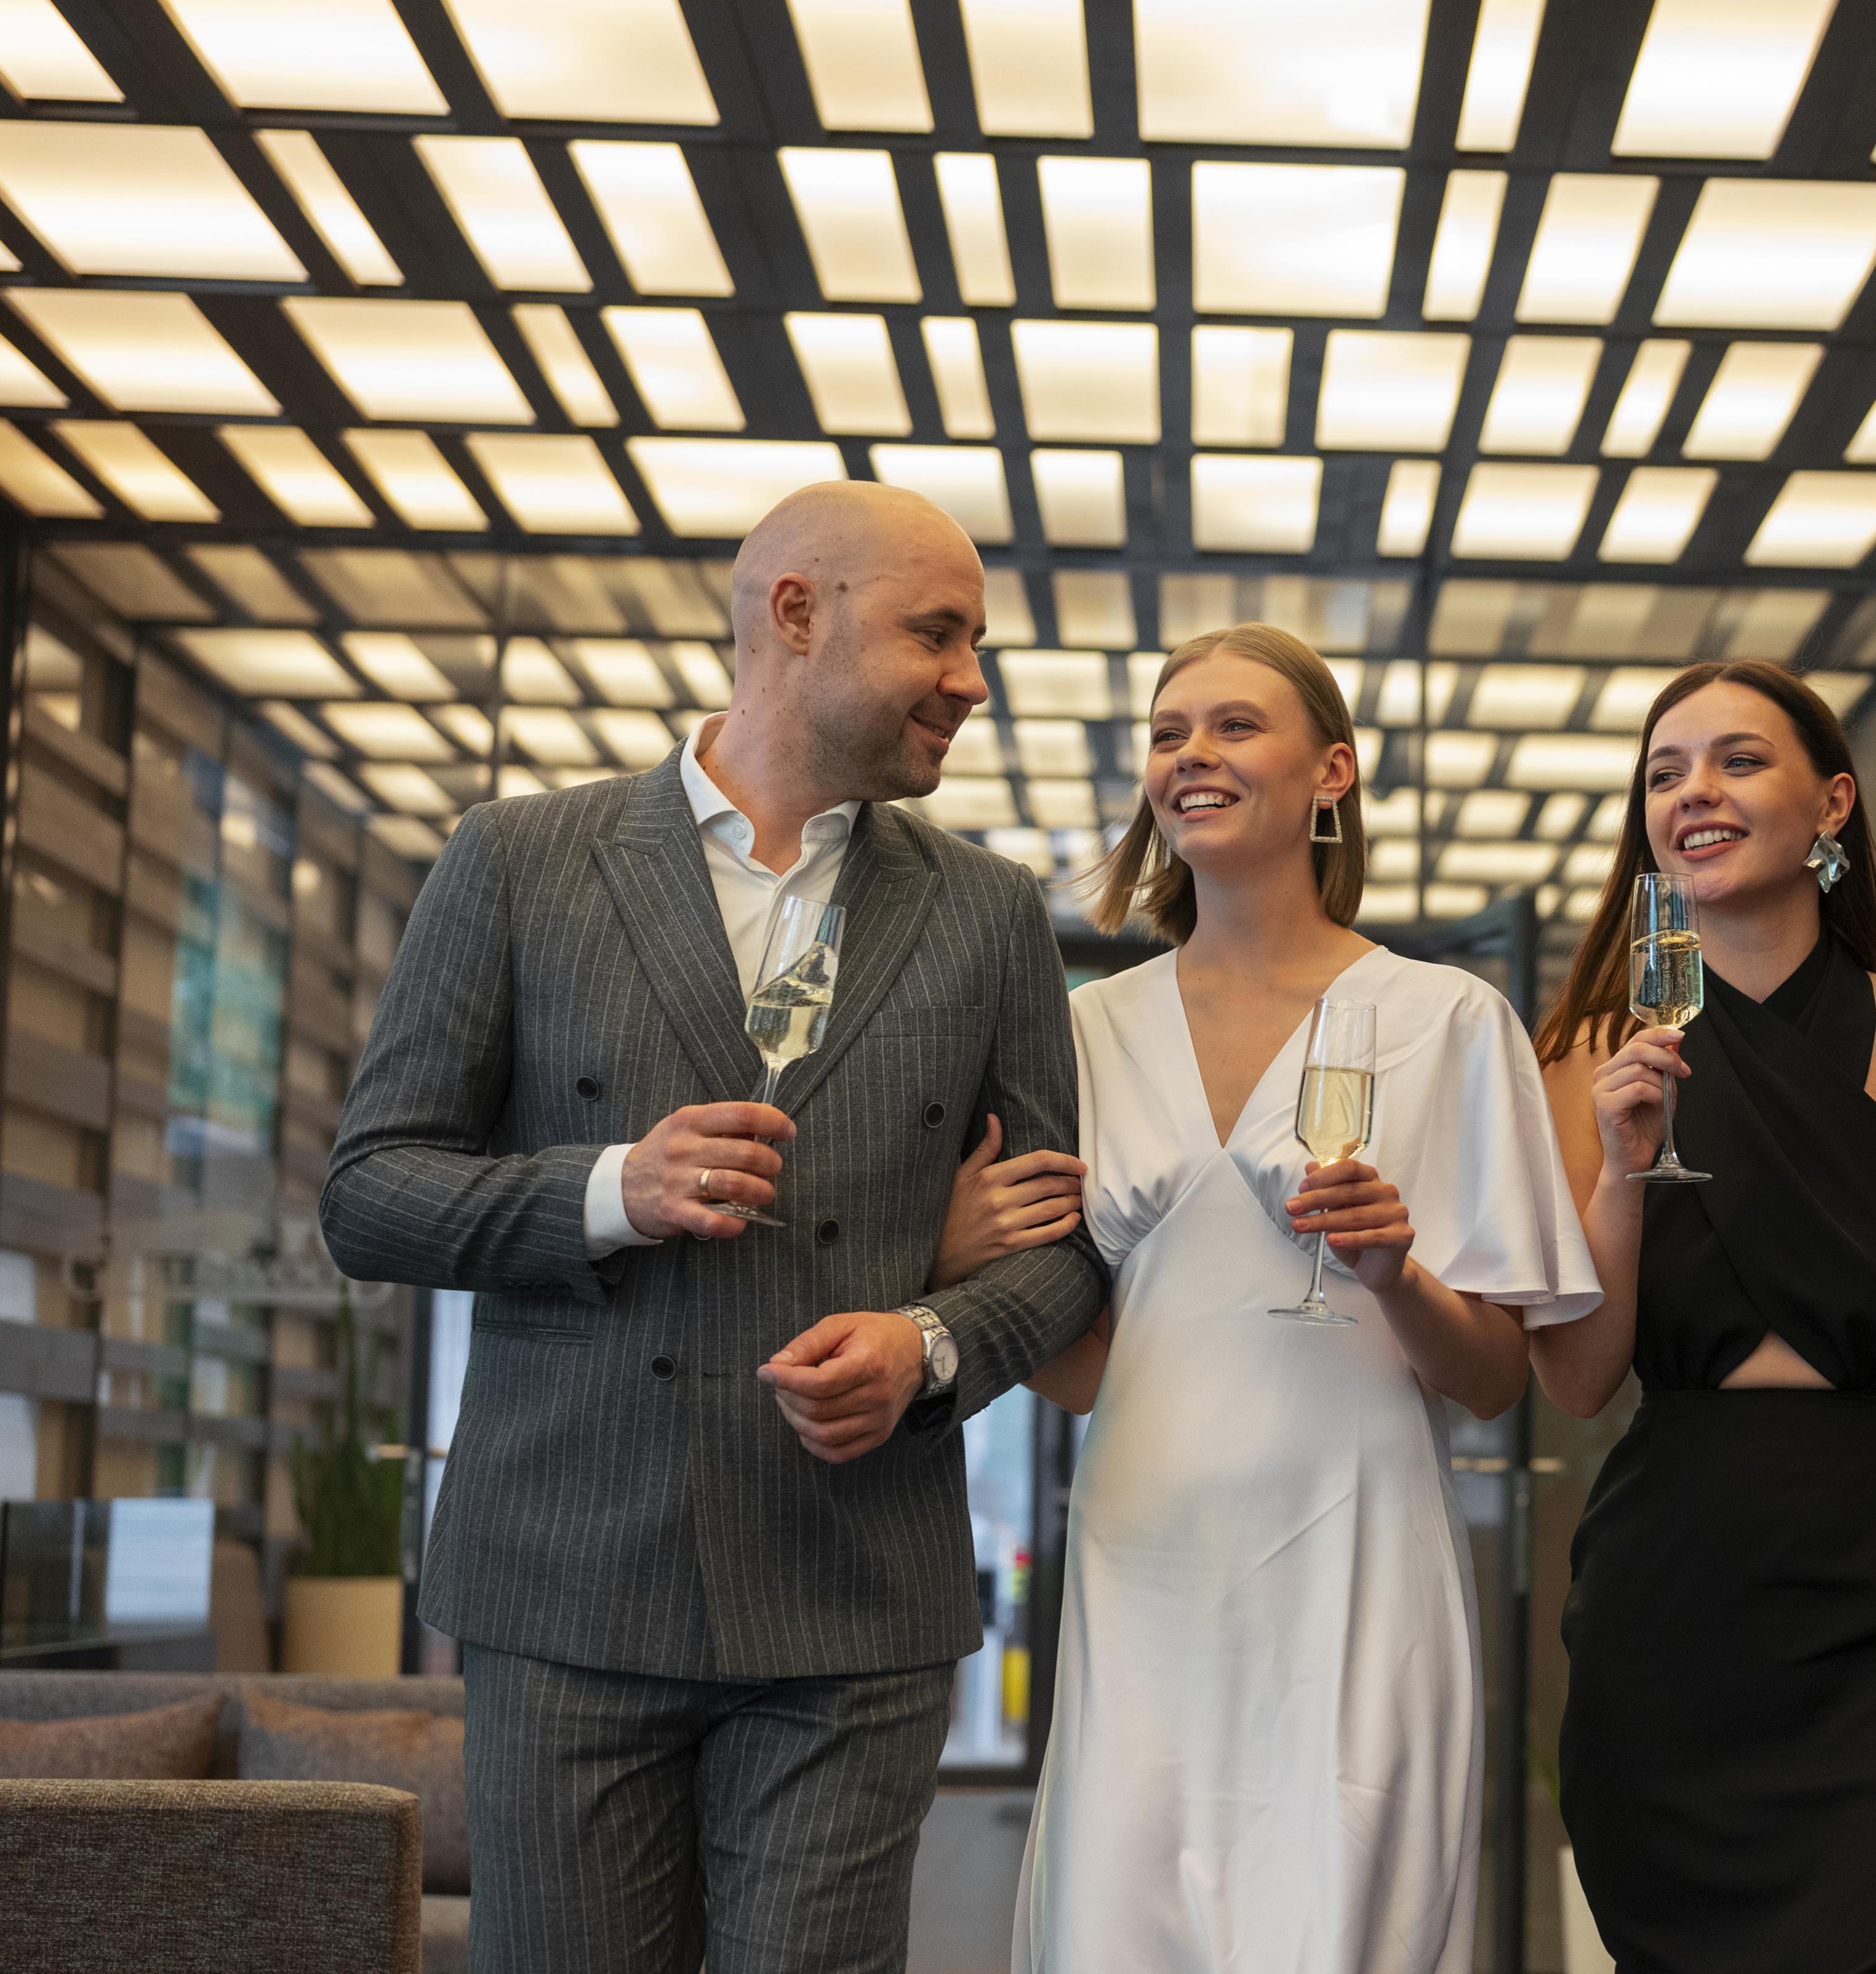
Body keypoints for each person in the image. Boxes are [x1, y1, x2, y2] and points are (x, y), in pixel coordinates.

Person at [320, 482, 1106, 1974]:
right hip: (567, 1581)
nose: (972, 681)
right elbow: (369, 1190)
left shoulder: (991, 914)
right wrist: (614, 1185)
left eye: (977, 643)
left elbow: (1062, 1242)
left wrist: (929, 1339)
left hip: (853, 1594)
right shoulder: (518, 859)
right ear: (796, 615)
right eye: (940, 634)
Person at [927, 622, 1599, 1974]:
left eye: (1234, 726)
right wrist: (954, 1255)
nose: (1192, 756)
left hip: (1356, 1564)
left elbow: (1491, 1382)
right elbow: (1083, 1362)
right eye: (1169, 734)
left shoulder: (1447, 1019)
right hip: (1143, 1563)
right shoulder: (1084, 1028)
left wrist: (1394, 1271)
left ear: (1332, 772)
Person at [1531, 660, 1876, 1974]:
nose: (1692, 793)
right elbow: (1575, 1379)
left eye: (1734, 760)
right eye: (1663, 772)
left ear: (1831, 802)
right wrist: (1619, 1160)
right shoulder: (1583, 1056)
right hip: (1671, 1602)